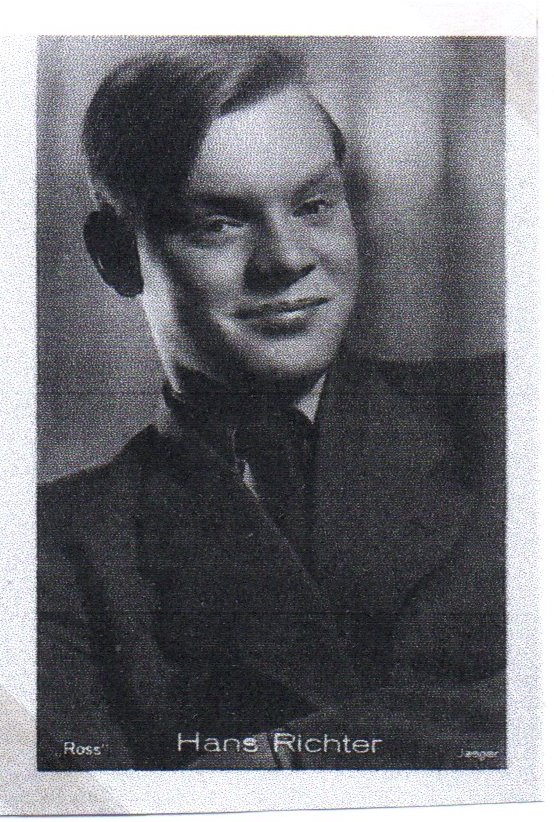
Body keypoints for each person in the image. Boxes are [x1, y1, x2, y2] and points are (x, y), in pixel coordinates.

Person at [37, 39, 505, 770]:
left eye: (315, 205)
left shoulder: (513, 418)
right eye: (217, 224)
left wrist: (289, 756)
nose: (287, 259)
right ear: (116, 256)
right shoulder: (55, 548)